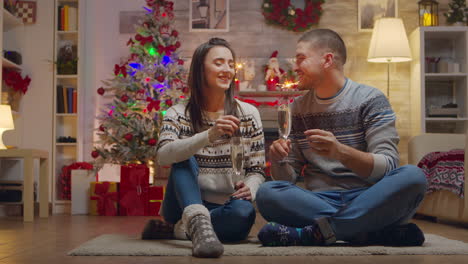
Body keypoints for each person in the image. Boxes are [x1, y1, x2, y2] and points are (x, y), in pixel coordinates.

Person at [255, 29, 428, 247]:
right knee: (267, 193)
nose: (295, 67)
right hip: (320, 200)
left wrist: (340, 152)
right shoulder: (297, 109)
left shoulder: (370, 100)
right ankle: (368, 230)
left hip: (370, 197)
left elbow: (388, 167)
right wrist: (279, 160)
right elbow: (286, 180)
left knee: (413, 176)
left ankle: (315, 233)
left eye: (301, 59)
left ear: (327, 60)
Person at [141, 38, 265, 258]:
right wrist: (209, 135)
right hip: (181, 203)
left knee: (243, 213)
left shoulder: (249, 114)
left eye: (230, 63)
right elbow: (163, 156)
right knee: (182, 154)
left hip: (227, 204)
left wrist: (250, 187)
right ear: (200, 70)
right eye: (219, 63)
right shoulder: (177, 113)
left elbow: (257, 170)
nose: (227, 69)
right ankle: (194, 219)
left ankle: (181, 229)